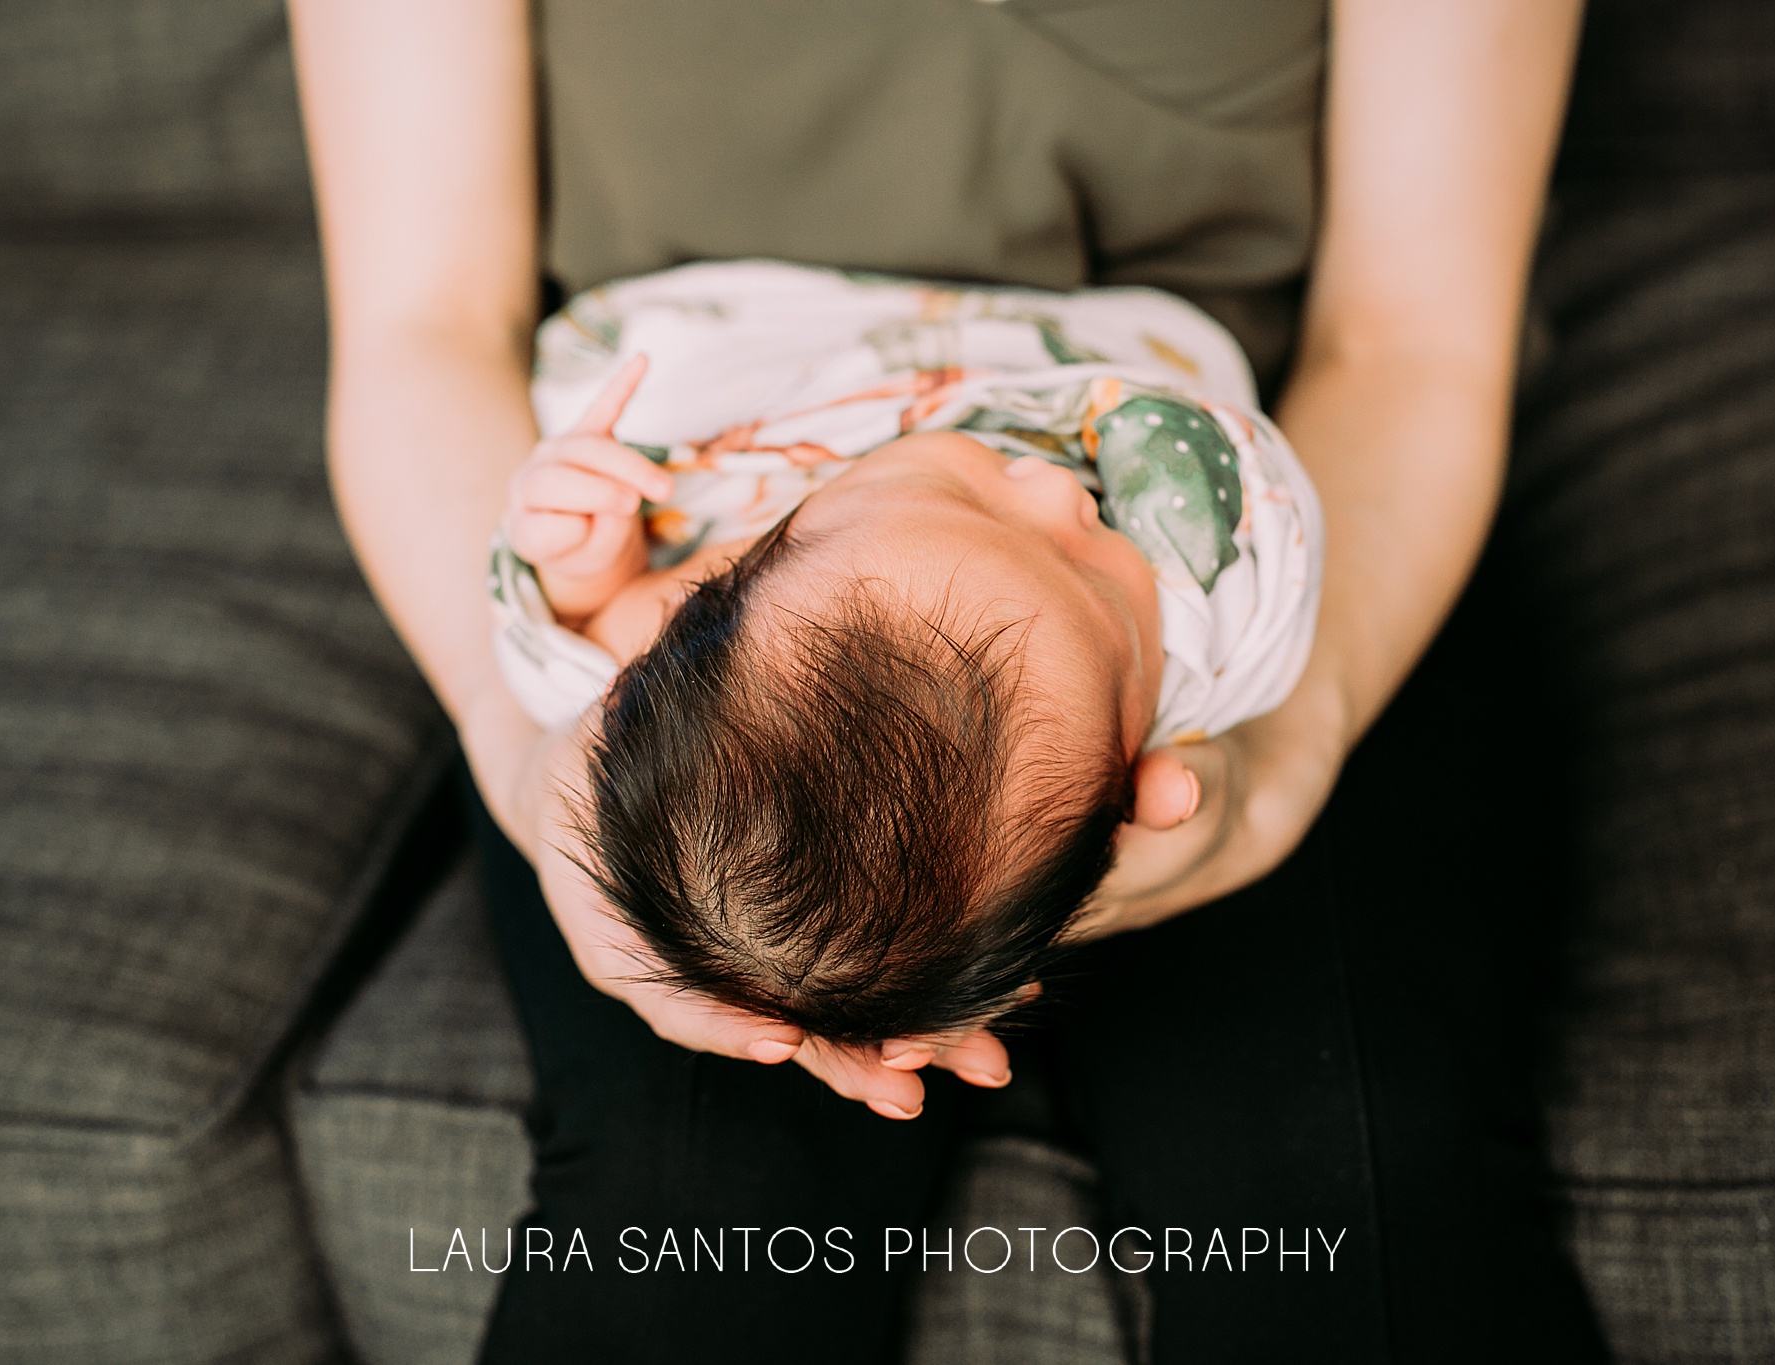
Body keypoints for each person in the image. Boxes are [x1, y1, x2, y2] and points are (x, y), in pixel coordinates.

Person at [287, 2, 1604, 1360]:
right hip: (749, 599)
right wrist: (536, 743)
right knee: (693, 1211)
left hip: (1319, 447)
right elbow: (427, 335)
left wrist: (1272, 762)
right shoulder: (717, 562)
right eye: (1009, 496)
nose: (1047, 476)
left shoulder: (1199, 603)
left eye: (1045, 518)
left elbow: (1414, 341)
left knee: (1346, 1171)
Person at [493, 261, 1323, 1041]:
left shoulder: (699, 620)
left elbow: (584, 629)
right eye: (1096, 580)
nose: (1060, 489)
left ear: (770, 543)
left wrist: (589, 556)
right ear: (1124, 783)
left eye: (968, 495)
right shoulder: (1213, 624)